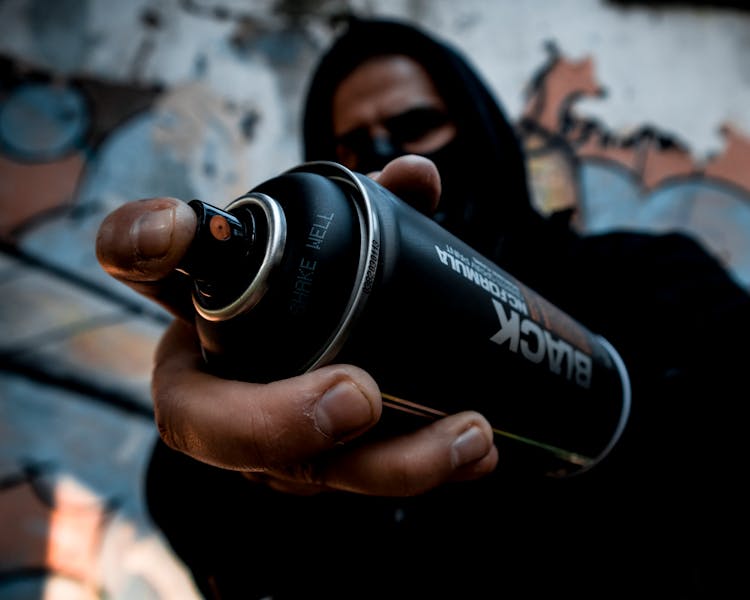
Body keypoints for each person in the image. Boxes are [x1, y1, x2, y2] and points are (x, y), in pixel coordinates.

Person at [96, 16, 749, 599]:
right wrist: (251, 460)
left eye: (416, 126)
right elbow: (214, 536)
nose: (384, 153)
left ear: (481, 129)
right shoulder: (299, 363)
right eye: (350, 146)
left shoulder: (651, 279)